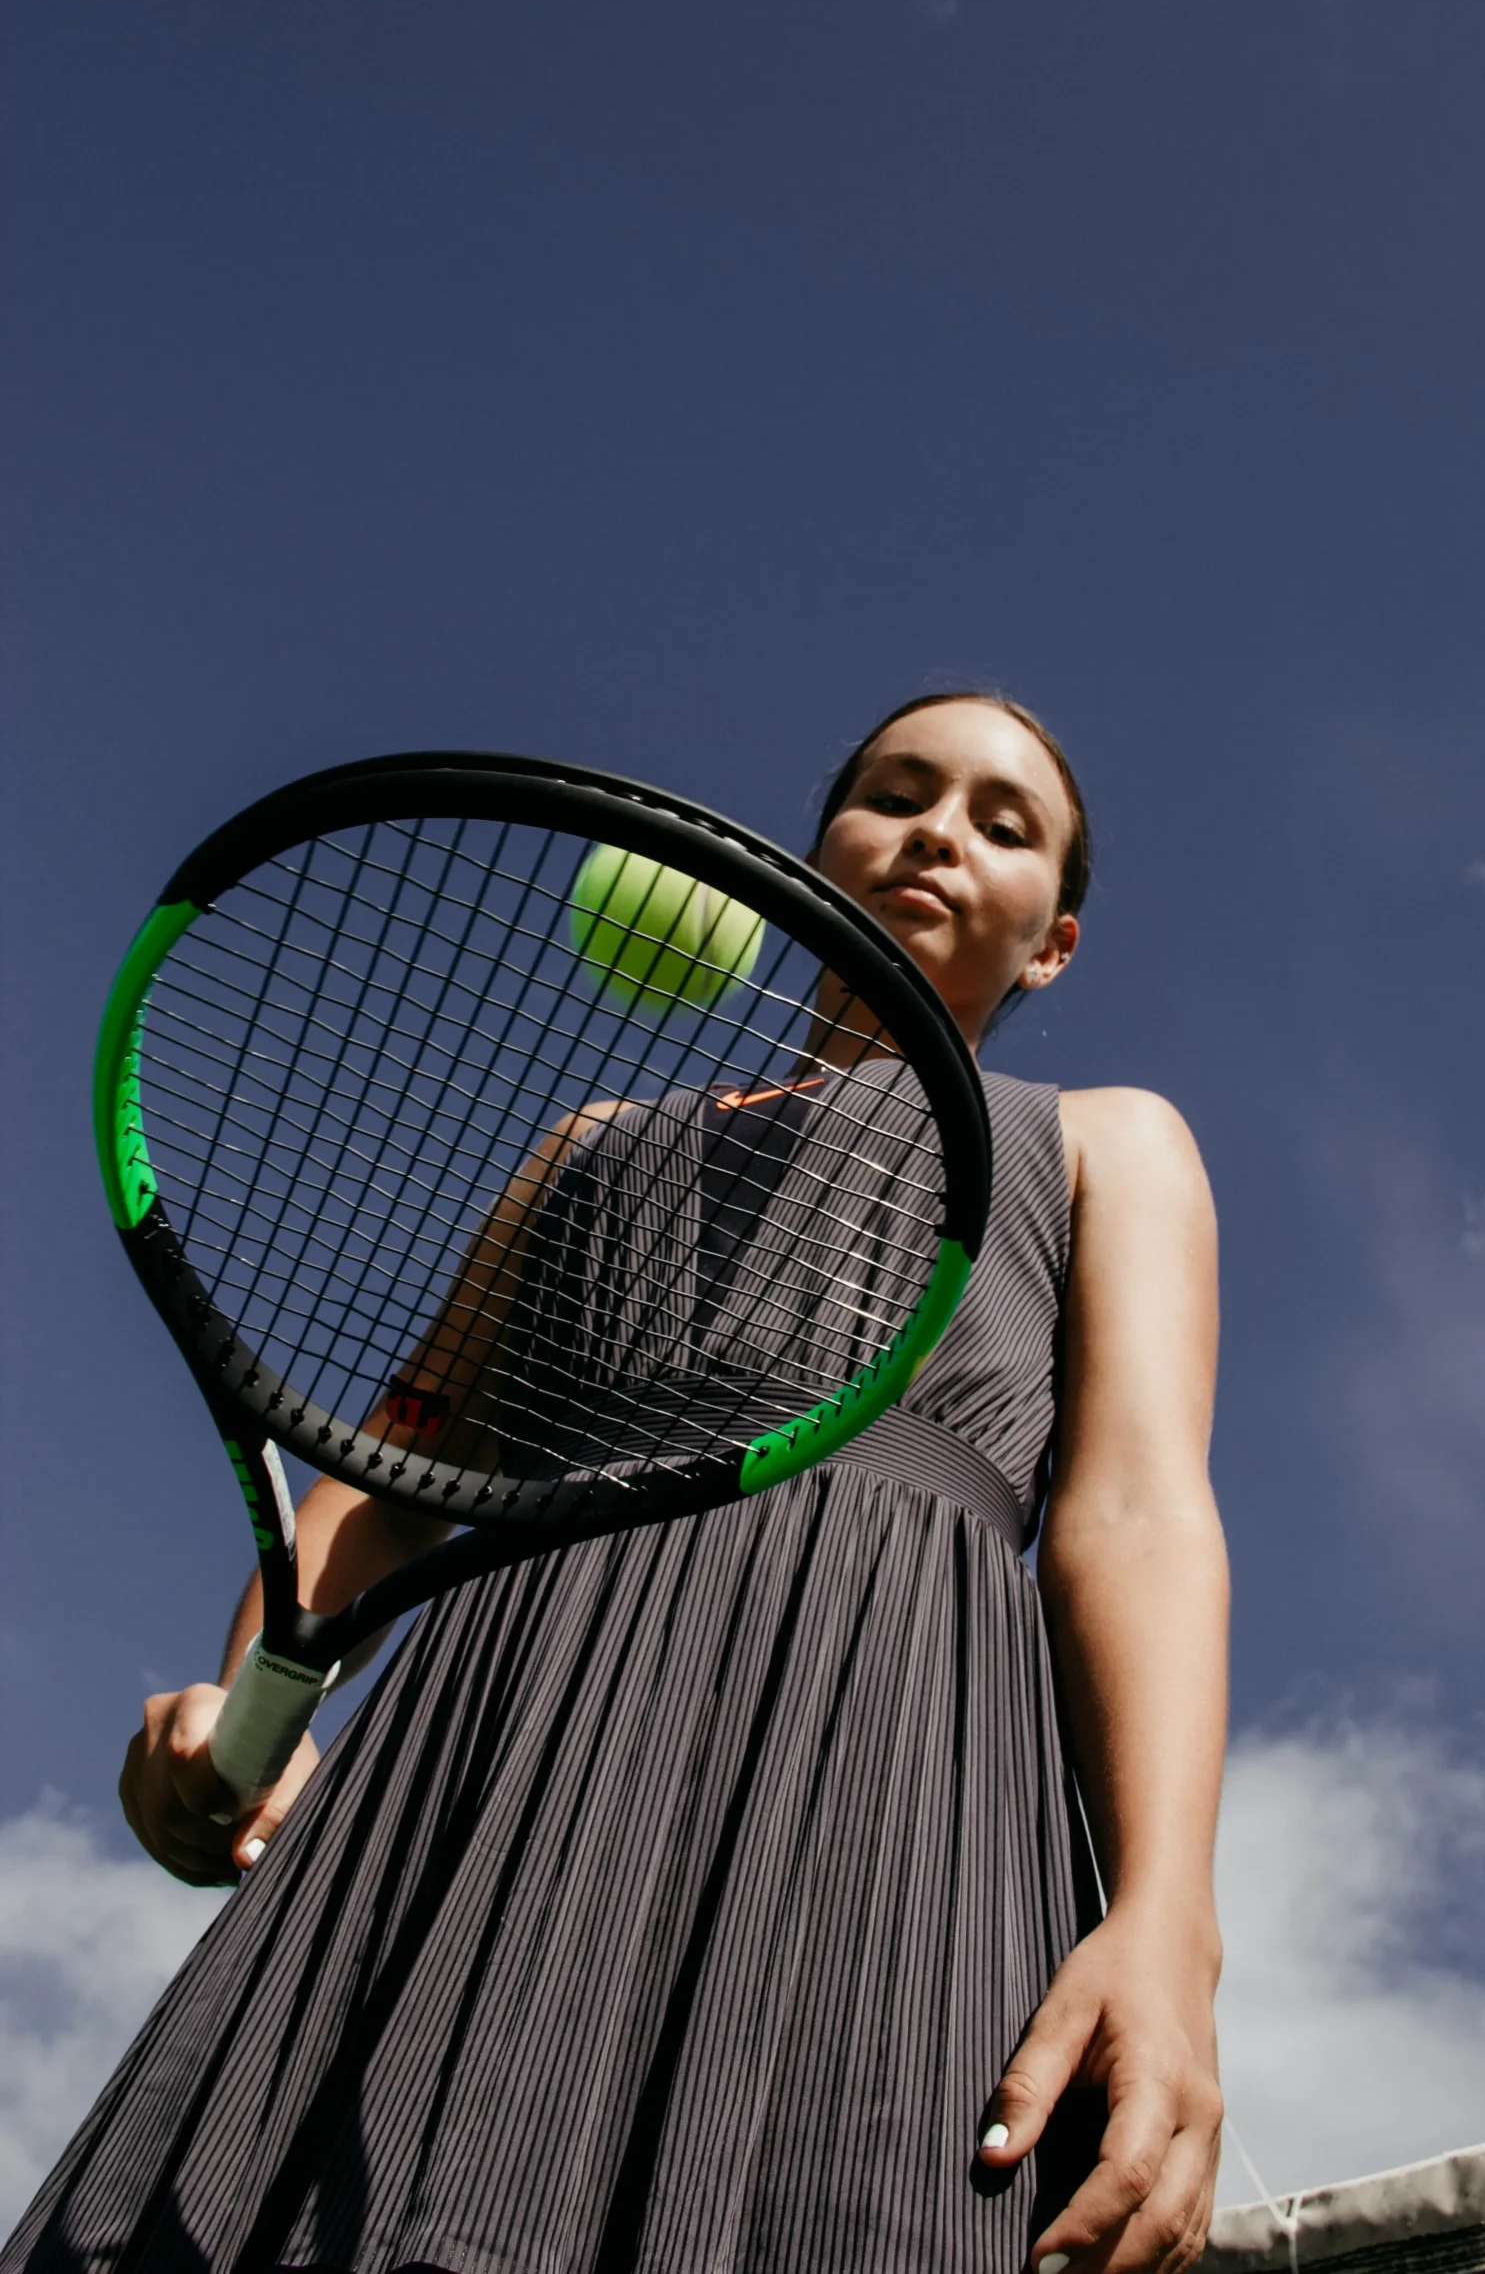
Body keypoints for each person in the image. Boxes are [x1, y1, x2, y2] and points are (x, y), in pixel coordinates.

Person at [8, 692, 1226, 2274]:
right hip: (501, 1726)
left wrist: (1165, 1922)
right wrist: (245, 1704)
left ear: (1050, 943)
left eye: (1001, 823)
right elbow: (404, 1464)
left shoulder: (1103, 1142)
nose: (935, 831)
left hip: (881, 1748)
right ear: (811, 856)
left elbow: (1133, 1514)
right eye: (895, 794)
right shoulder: (592, 1139)